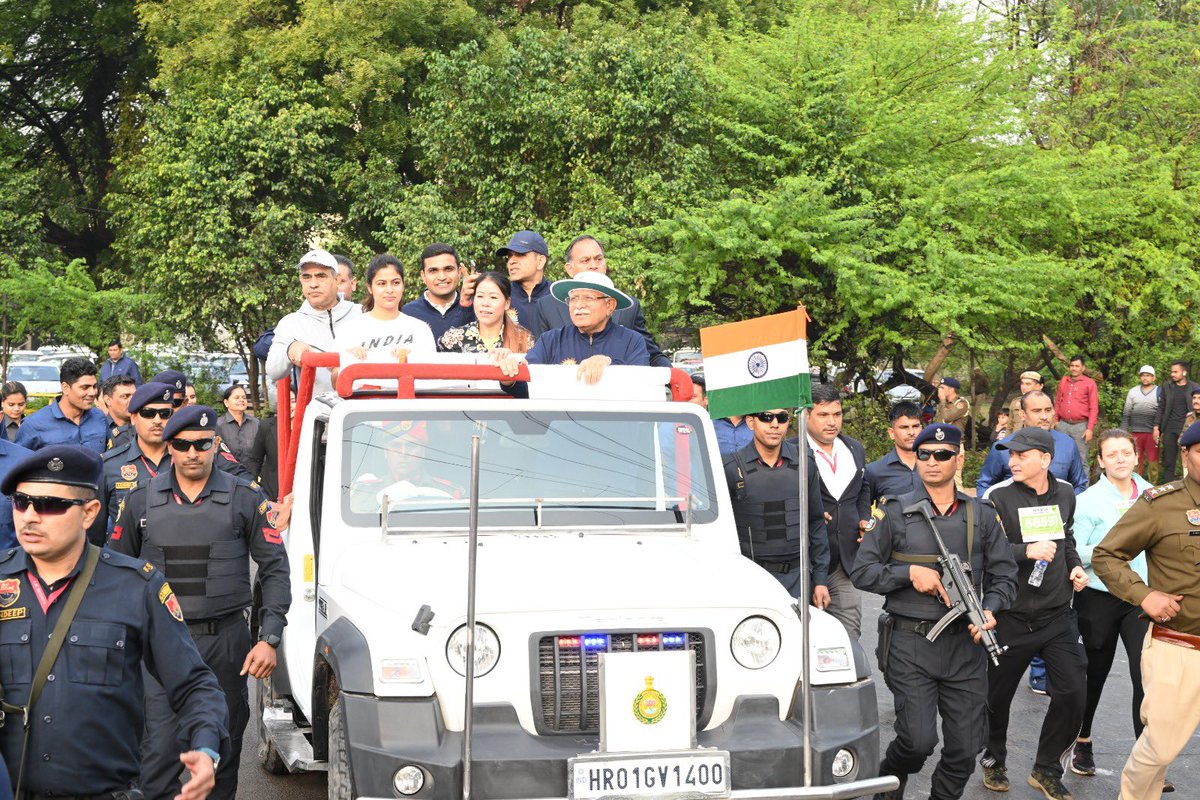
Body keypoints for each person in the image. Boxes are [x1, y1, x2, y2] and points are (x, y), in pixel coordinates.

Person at [0, 444, 227, 799]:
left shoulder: (136, 586)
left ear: (89, 513)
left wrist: (205, 745)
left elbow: (195, 685)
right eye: (21, 502)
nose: (29, 516)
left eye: (49, 505)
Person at [110, 406, 291, 800]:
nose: (192, 453)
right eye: (182, 444)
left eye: (201, 444)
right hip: (158, 647)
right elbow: (116, 572)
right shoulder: (141, 501)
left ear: (215, 445)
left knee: (221, 753)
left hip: (224, 643)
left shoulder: (244, 498)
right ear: (169, 447)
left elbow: (275, 566)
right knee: (158, 754)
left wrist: (269, 637)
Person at [851, 423, 1018, 800]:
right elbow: (863, 570)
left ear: (958, 459)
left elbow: (1006, 575)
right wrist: (907, 573)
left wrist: (990, 609)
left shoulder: (981, 515)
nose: (931, 461)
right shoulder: (893, 511)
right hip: (910, 643)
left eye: (942, 455)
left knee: (964, 750)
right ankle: (888, 781)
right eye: (924, 454)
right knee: (916, 741)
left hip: (966, 646)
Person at [979, 427, 1089, 800]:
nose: (1012, 462)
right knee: (995, 698)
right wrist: (1024, 552)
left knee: (1074, 691)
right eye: (1010, 455)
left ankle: (1046, 769)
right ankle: (994, 761)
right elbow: (982, 552)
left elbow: (1066, 537)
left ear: (1045, 459)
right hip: (1011, 614)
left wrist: (1073, 565)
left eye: (1021, 455)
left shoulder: (1066, 493)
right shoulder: (998, 496)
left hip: (1058, 614)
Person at [1092, 420, 1200, 800]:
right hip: (1181, 644)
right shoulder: (1161, 504)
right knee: (1161, 747)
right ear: (1185, 455)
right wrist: (1144, 595)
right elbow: (1106, 555)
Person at [1070, 429, 1165, 787]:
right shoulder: (1088, 500)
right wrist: (1112, 553)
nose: (1121, 459)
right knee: (1094, 672)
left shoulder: (1155, 496)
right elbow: (1075, 548)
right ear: (1100, 461)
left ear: (1137, 457)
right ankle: (1082, 740)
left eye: (1126, 452)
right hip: (1099, 596)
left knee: (1146, 676)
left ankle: (1146, 759)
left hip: (1141, 598)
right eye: (1112, 454)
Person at [724, 408, 831, 609]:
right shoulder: (730, 467)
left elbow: (816, 523)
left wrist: (820, 580)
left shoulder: (804, 463)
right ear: (750, 421)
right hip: (750, 580)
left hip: (798, 579)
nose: (775, 425)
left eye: (781, 418)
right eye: (766, 417)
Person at [528, 235, 671, 366]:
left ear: (611, 305)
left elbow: (649, 356)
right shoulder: (547, 312)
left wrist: (679, 381)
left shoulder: (630, 314)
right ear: (569, 269)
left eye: (598, 259)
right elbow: (534, 365)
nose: (593, 265)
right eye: (585, 260)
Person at [495, 271, 650, 387]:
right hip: (560, 426)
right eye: (574, 299)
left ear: (610, 305)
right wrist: (510, 379)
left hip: (615, 427)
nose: (578, 305)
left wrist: (609, 363)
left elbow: (642, 384)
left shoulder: (632, 341)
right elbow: (528, 385)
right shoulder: (551, 340)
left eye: (588, 298)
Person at [803, 382, 870, 638]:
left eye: (837, 414)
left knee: (849, 632)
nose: (832, 422)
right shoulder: (794, 452)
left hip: (845, 562)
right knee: (804, 636)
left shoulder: (854, 448)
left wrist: (864, 518)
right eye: (823, 415)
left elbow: (863, 488)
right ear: (806, 415)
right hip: (805, 562)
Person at [266, 248, 363, 396]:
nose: (313, 284)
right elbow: (273, 371)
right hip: (318, 414)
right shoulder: (291, 323)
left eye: (321, 276)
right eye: (307, 277)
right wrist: (290, 349)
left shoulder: (363, 314)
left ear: (336, 280)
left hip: (363, 411)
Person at [333, 253, 437, 383]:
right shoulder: (349, 329)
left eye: (396, 283)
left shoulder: (420, 329)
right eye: (381, 284)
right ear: (370, 288)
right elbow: (335, 381)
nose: (389, 290)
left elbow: (432, 377)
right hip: (362, 401)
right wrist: (350, 360)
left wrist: (413, 359)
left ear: (403, 285)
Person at [976, 390, 1088, 496]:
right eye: (1037, 411)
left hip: (1057, 514)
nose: (1044, 417)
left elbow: (1079, 484)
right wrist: (995, 512)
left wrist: (1067, 509)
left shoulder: (1067, 444)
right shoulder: (1003, 448)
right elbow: (984, 485)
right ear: (1022, 414)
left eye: (1048, 410)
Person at [14, 357, 107, 452]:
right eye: (85, 387)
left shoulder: (99, 418)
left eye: (94, 386)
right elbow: (16, 462)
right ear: (65, 388)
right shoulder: (33, 425)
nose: (92, 393)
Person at [438, 271, 535, 354]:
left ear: (507, 303)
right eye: (480, 296)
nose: (485, 303)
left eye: (493, 297)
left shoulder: (524, 340)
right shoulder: (452, 339)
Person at [402, 243, 478, 340]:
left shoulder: (479, 309)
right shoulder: (406, 314)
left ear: (459, 272)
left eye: (448, 269)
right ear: (423, 276)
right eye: (433, 270)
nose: (442, 277)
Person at [865, 401, 923, 504]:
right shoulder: (874, 471)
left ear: (921, 429)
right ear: (892, 433)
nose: (911, 432)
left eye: (915, 426)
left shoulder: (935, 464)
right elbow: (863, 511)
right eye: (904, 427)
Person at [1153, 360, 1199, 482]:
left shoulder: (1194, 387)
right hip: (1170, 429)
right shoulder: (1167, 387)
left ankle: (1192, 489)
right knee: (1168, 462)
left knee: (1192, 461)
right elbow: (1161, 407)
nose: (1172, 374)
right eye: (1171, 371)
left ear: (1184, 372)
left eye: (1175, 371)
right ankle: (1169, 490)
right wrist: (1156, 426)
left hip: (1189, 430)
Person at [497, 230, 551, 327]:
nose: (511, 261)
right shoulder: (501, 295)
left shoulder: (557, 296)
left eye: (520, 254)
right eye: (509, 256)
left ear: (540, 261)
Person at [1054, 354, 1099, 469]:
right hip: (1062, 425)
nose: (1074, 368)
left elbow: (1093, 407)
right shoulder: (1064, 381)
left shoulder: (1090, 383)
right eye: (1072, 365)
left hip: (1080, 426)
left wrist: (1089, 429)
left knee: (1082, 458)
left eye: (1077, 366)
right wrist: (1055, 421)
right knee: (1060, 456)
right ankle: (1063, 484)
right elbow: (1058, 401)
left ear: (1083, 368)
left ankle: (1083, 487)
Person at [216, 385, 262, 478]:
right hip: (226, 478)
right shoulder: (218, 425)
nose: (241, 400)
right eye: (237, 398)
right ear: (226, 402)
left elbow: (261, 453)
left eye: (244, 397)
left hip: (252, 478)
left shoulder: (255, 423)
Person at [1121, 365, 1159, 477]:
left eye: (1148, 375)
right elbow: (1126, 412)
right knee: (1136, 460)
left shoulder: (1160, 391)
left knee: (1153, 462)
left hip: (1152, 432)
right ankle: (1136, 486)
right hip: (1135, 431)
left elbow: (1163, 412)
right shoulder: (1133, 391)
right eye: (1143, 375)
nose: (1145, 378)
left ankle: (1154, 488)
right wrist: (1123, 432)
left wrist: (1160, 429)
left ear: (1154, 377)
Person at [101, 373, 136, 450]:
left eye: (135, 396)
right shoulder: (99, 429)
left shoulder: (143, 425)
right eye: (125, 396)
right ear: (108, 400)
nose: (132, 400)